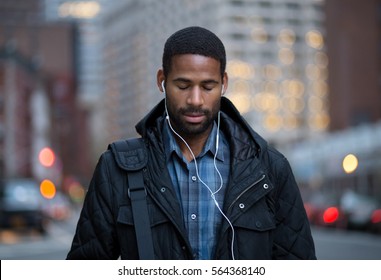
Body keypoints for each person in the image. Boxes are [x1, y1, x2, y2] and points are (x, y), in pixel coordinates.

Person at [66, 26, 316, 260]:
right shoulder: (116, 169)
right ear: (162, 80)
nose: (195, 100)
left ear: (224, 84)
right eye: (183, 85)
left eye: (208, 86)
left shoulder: (269, 170)